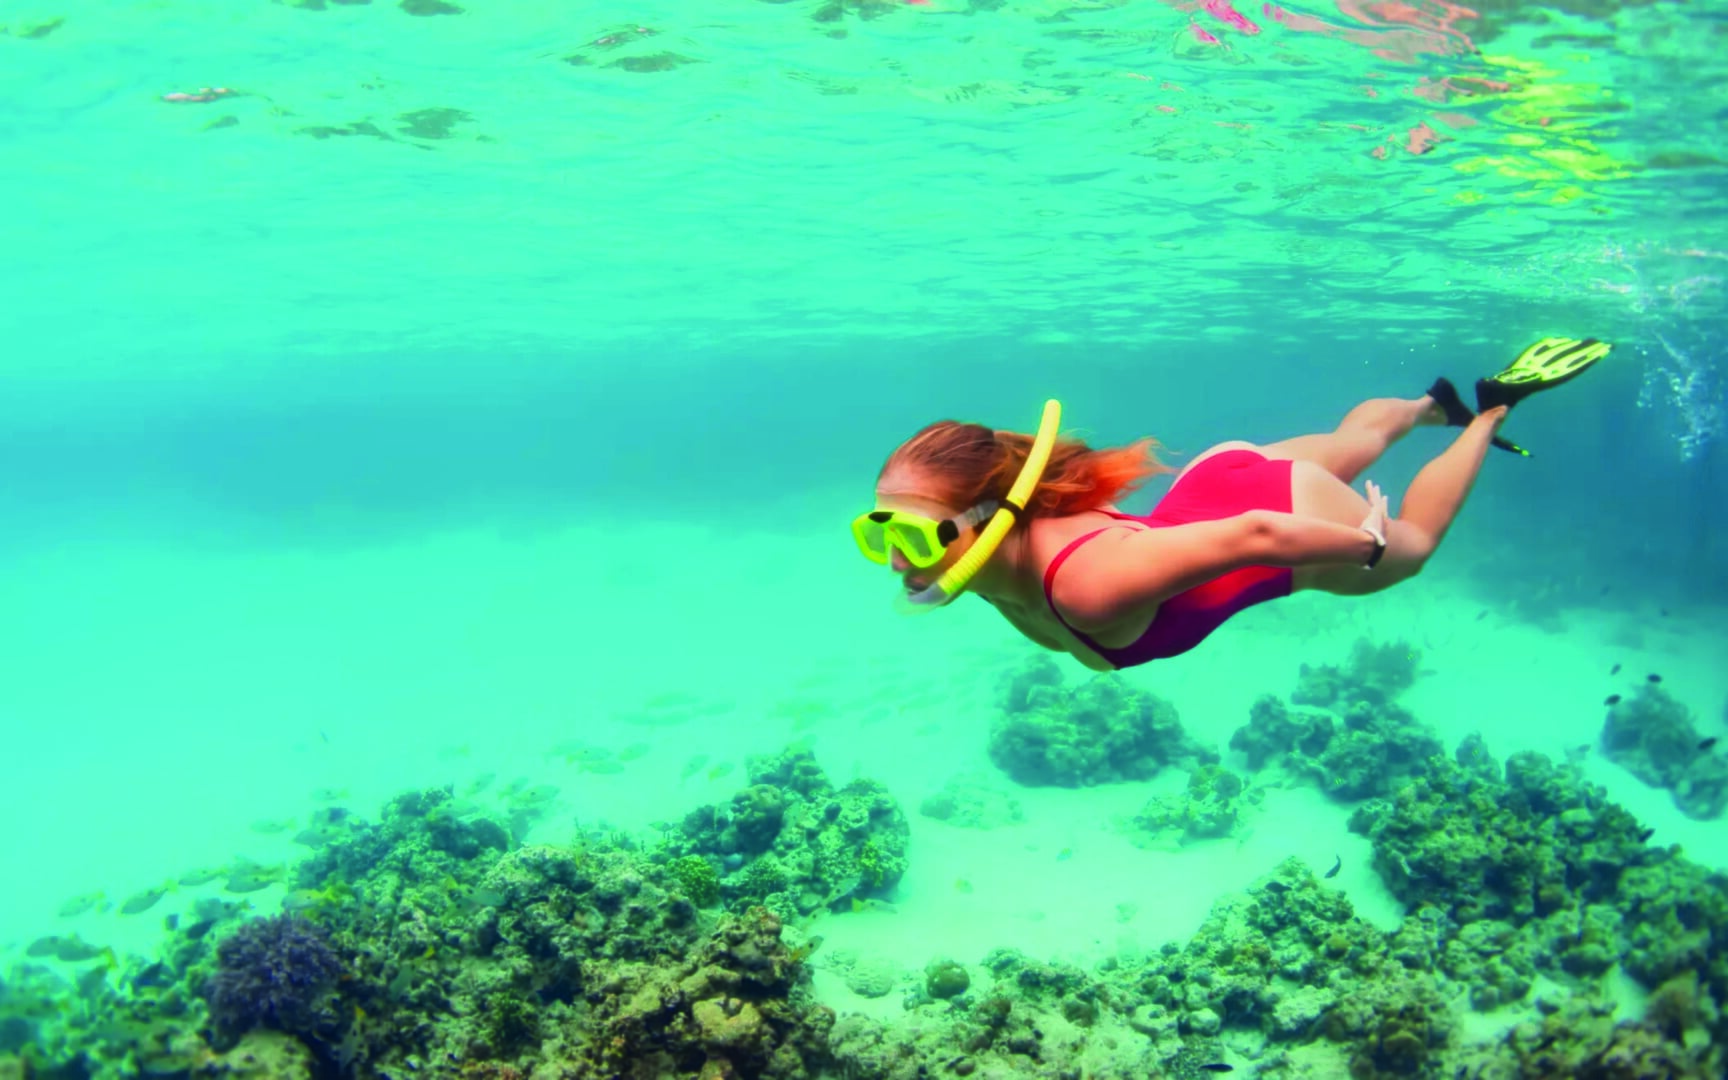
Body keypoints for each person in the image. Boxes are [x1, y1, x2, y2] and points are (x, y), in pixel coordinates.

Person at [852, 337, 1610, 672]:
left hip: (1269, 515)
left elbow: (1254, 535)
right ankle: (1425, 405)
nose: (893, 560)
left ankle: (1488, 410)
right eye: (876, 532)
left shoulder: (1083, 584)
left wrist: (1364, 545)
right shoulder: (986, 560)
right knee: (1351, 441)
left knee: (1415, 547)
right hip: (1219, 481)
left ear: (993, 515)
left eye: (916, 539)